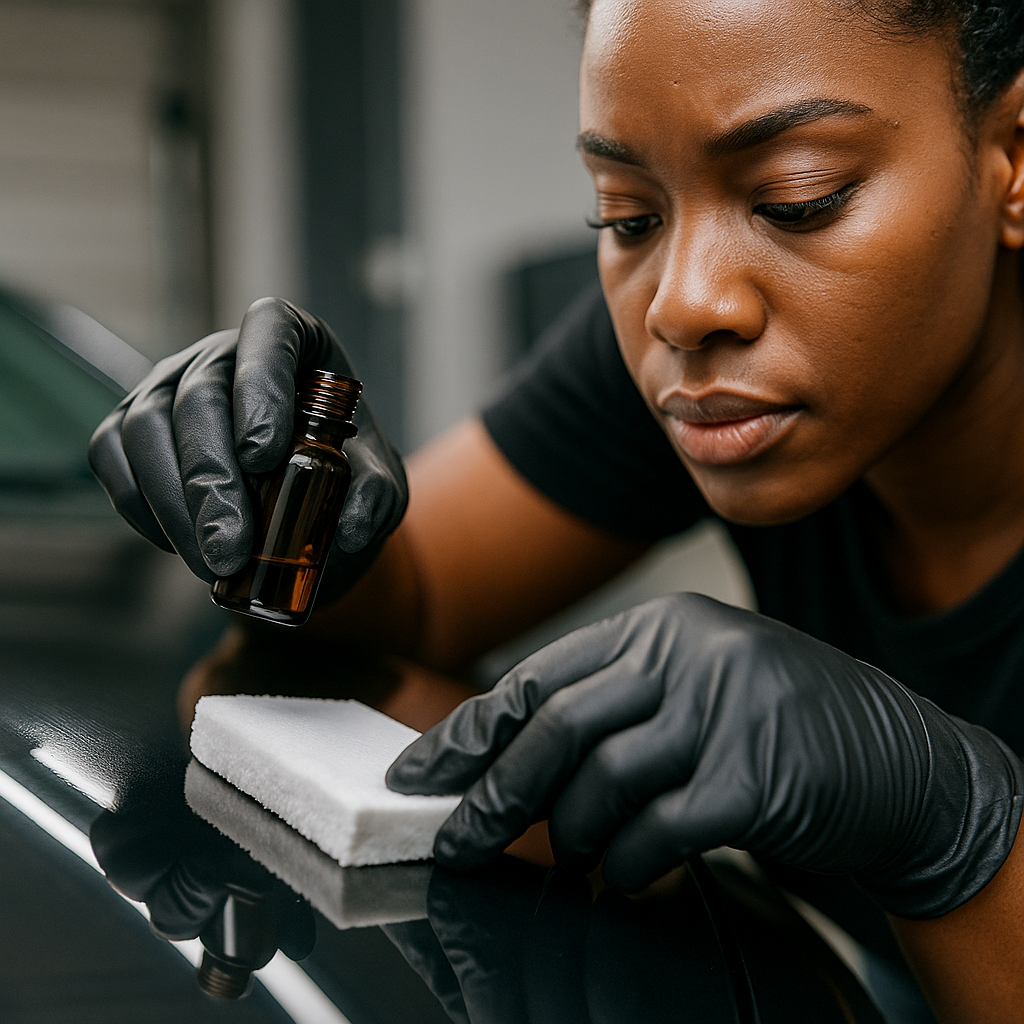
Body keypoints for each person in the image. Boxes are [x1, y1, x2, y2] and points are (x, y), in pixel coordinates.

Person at [89, 1, 1024, 1019]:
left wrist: (954, 824)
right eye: (626, 213)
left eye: (798, 197)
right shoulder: (703, 354)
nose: (681, 301)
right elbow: (421, 590)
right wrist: (293, 503)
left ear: (1010, 156)